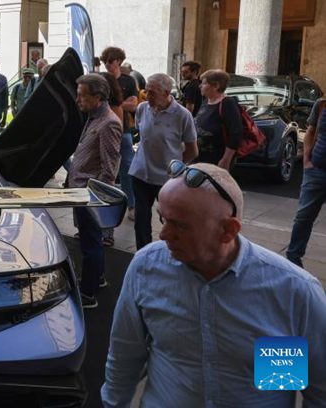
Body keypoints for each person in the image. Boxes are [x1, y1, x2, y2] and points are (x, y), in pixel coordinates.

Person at [102, 162, 326, 407]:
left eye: (180, 225)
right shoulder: (146, 268)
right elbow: (125, 356)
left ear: (228, 230)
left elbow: (317, 389)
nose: (163, 234)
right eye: (162, 218)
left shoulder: (293, 292)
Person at [67, 73, 122, 309]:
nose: (77, 100)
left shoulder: (109, 123)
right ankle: (97, 279)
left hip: (88, 195)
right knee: (92, 241)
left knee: (90, 245)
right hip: (80, 191)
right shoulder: (92, 117)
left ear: (97, 97)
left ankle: (88, 294)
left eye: (82, 95)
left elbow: (109, 168)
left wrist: (93, 198)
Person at [129, 74, 198, 250]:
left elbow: (192, 150)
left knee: (170, 220)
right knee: (141, 221)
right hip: (140, 174)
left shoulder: (183, 115)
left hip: (167, 180)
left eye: (153, 93)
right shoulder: (143, 109)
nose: (147, 97)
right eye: (147, 92)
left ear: (167, 92)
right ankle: (143, 254)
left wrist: (175, 168)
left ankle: (172, 253)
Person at [101, 47, 138, 242]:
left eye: (112, 60)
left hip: (124, 131)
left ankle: (132, 205)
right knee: (106, 172)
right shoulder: (99, 79)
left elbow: (134, 104)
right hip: (106, 132)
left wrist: (113, 104)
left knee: (127, 168)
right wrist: (120, 104)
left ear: (120, 61)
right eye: (106, 59)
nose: (109, 63)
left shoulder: (128, 81)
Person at [286, 95, 326, 268]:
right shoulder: (322, 104)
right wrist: (306, 161)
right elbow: (310, 131)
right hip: (316, 170)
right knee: (303, 217)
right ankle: (293, 260)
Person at [194, 69, 242, 170]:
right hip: (199, 158)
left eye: (204, 83)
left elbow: (235, 134)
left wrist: (226, 160)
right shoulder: (206, 101)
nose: (200, 86)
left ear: (216, 86)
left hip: (216, 159)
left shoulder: (227, 104)